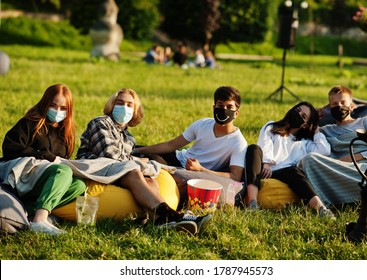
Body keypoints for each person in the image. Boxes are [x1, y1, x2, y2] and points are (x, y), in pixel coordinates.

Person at [76, 88, 212, 234]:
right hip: (94, 169)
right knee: (133, 171)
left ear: (135, 111)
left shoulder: (128, 137)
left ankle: (158, 219)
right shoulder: (101, 122)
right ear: (112, 105)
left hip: (113, 173)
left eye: (129, 105)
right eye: (120, 103)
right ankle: (171, 215)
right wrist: (138, 161)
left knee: (151, 181)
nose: (124, 108)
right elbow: (110, 156)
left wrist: (140, 162)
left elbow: (122, 162)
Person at [0, 84, 87, 235]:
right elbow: (10, 148)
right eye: (53, 105)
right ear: (45, 103)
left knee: (79, 185)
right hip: (24, 173)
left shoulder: (67, 132)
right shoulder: (30, 122)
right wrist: (43, 155)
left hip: (43, 179)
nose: (57, 111)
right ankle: (40, 220)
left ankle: (30, 211)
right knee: (63, 171)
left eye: (63, 108)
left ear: (69, 109)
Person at [299, 86, 367, 206]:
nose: (339, 106)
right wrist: (314, 118)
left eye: (343, 102)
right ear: (329, 108)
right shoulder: (324, 131)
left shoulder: (366, 122)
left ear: (352, 106)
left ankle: (363, 197)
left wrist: (344, 161)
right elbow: (299, 135)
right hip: (342, 172)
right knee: (309, 160)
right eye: (335, 104)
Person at [135, 86, 247, 183]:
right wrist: (138, 150)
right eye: (220, 105)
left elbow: (235, 176)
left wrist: (201, 169)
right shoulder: (203, 124)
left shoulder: (238, 142)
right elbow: (171, 145)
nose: (224, 110)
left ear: (236, 113)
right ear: (214, 108)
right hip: (178, 159)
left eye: (229, 107)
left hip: (192, 172)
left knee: (152, 162)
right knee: (139, 152)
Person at [245, 101, 335, 218]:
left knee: (294, 171)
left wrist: (316, 130)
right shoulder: (272, 127)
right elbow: (264, 145)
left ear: (305, 125)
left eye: (303, 116)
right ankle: (252, 203)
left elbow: (324, 149)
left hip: (284, 173)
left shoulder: (305, 143)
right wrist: (266, 163)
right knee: (253, 149)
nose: (298, 114)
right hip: (262, 170)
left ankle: (321, 209)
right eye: (298, 110)